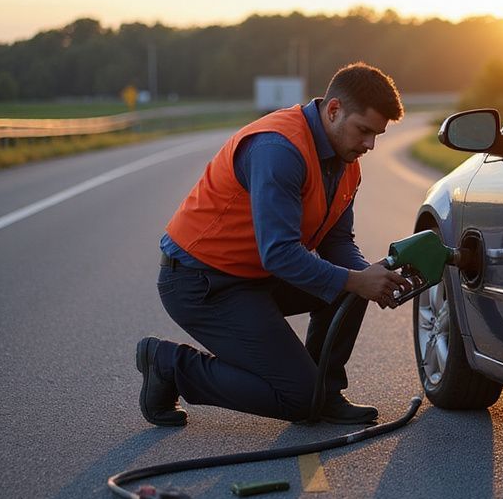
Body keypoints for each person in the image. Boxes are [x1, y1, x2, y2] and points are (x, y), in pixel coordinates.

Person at [135, 62, 412, 428]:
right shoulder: (278, 149)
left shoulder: (345, 161)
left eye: (376, 135)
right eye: (363, 131)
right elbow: (279, 253)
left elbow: (337, 240)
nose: (369, 145)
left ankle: (325, 393)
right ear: (333, 110)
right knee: (296, 398)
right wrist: (356, 280)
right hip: (200, 283)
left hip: (254, 275)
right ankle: (169, 364)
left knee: (352, 285)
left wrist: (373, 277)